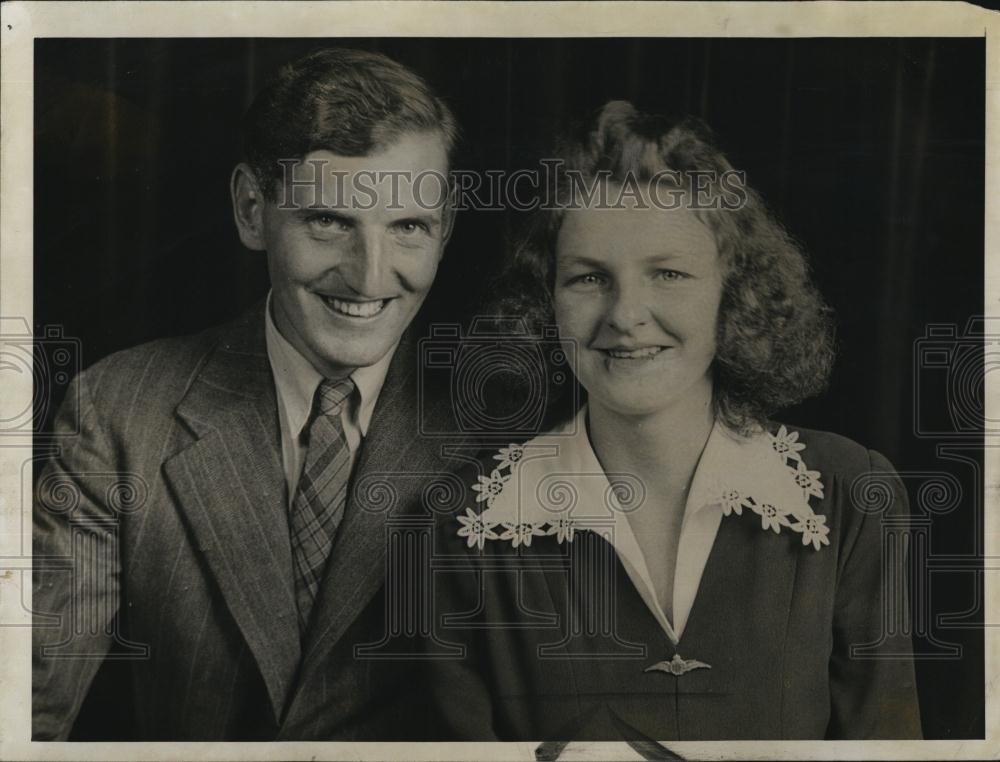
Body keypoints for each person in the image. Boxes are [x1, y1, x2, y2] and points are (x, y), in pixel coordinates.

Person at [429, 101, 922, 742]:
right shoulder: (466, 524)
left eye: (668, 273)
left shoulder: (851, 493)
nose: (627, 314)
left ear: (732, 291)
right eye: (587, 278)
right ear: (543, 300)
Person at [32, 47, 463, 740]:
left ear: (444, 229)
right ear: (251, 209)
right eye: (330, 221)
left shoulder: (501, 430)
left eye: (408, 227)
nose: (369, 276)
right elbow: (22, 708)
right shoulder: (118, 413)